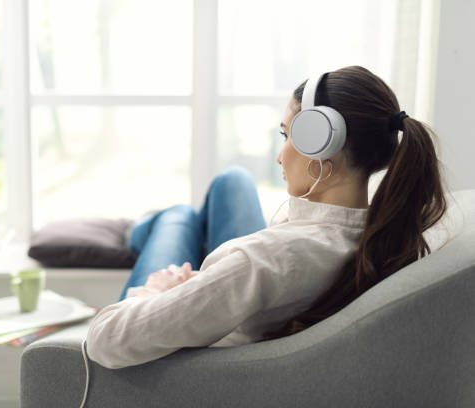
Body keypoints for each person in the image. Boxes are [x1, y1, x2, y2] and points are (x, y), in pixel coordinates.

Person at [84, 65, 447, 369]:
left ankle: (144, 230)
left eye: (287, 135)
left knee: (179, 216)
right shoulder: (381, 234)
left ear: (322, 144)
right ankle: (150, 226)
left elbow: (104, 340)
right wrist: (202, 286)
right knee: (232, 182)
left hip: (238, 285)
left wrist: (154, 291)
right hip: (257, 285)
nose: (279, 157)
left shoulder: (262, 261)